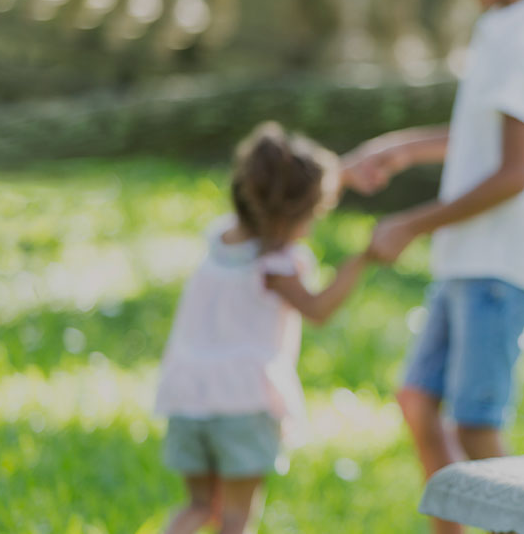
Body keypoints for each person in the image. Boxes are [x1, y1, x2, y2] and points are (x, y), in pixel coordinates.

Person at [342, 0, 524, 534]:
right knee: (419, 400)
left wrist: (409, 225)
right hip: (471, 259)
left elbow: (513, 173)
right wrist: (403, 150)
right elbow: (488, 138)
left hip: (499, 265)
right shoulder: (505, 27)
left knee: (476, 425)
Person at [153, 122, 370, 534]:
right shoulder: (277, 266)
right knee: (235, 518)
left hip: (186, 396)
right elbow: (319, 310)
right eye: (314, 214)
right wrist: (362, 260)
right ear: (294, 214)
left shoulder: (218, 239)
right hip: (243, 401)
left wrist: (338, 173)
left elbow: (278, 190)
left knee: (199, 507)